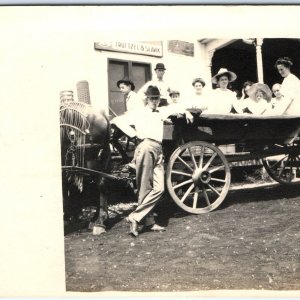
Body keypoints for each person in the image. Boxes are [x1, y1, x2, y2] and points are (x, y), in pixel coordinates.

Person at [125, 85, 172, 237]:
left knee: (159, 188)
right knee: (145, 187)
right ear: (146, 99)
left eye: (157, 98)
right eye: (152, 98)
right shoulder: (139, 112)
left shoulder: (161, 112)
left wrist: (187, 113)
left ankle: (135, 217)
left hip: (158, 149)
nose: (154, 101)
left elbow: (177, 108)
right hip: (146, 146)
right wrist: (138, 138)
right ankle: (149, 222)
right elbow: (123, 121)